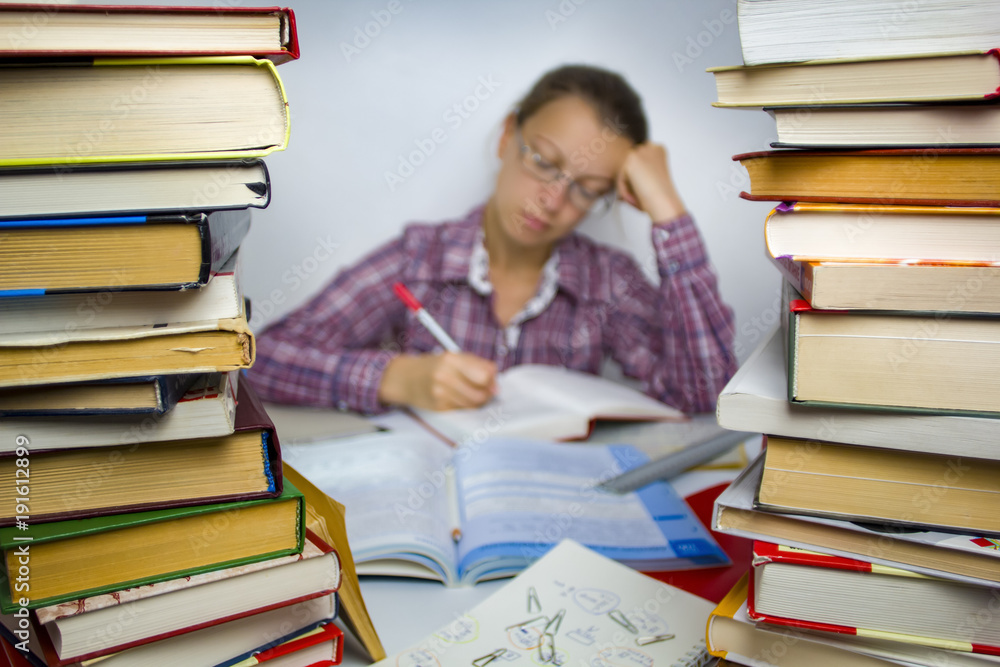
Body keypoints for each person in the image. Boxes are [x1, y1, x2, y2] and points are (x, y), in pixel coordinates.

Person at [249, 64, 737, 415]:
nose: (552, 199)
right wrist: (395, 378)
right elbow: (260, 361)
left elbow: (704, 394)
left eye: (587, 189)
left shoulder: (607, 282)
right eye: (543, 162)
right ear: (508, 136)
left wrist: (668, 212)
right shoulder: (420, 259)